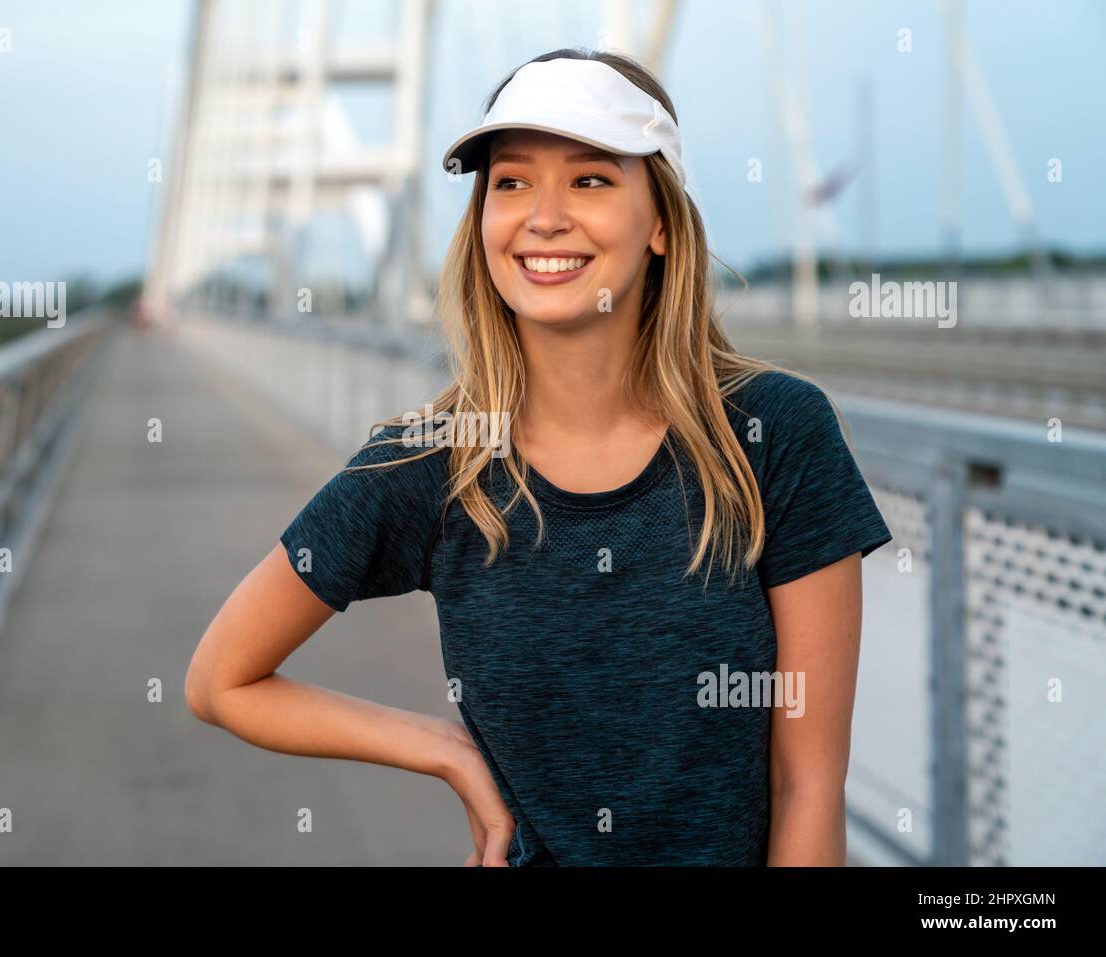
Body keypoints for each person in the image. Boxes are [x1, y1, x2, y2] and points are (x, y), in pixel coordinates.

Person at [185, 47, 893, 867]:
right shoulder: (432, 462)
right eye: (512, 182)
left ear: (661, 220)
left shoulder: (774, 434)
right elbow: (219, 680)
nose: (543, 216)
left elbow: (807, 784)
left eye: (591, 179)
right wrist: (446, 749)